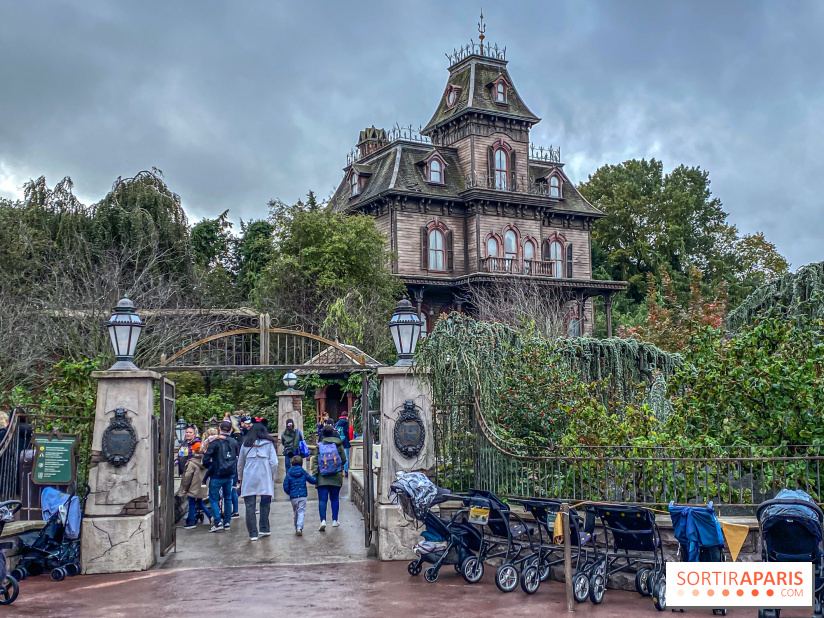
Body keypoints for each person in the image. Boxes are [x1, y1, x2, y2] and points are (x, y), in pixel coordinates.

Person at [237, 423, 279, 541]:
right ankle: (264, 528)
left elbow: (240, 464)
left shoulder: (245, 445)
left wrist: (240, 478)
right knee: (265, 503)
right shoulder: (269, 444)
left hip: (249, 477)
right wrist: (272, 476)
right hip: (265, 476)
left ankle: (253, 533)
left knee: (250, 506)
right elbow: (274, 463)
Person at [202, 420, 239, 532]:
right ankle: (227, 522)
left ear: (219, 429)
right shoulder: (233, 442)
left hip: (217, 474)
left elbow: (206, 459)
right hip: (229, 474)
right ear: (231, 429)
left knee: (213, 499)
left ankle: (217, 521)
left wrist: (211, 466)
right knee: (228, 498)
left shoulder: (215, 442)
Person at [313, 424, 346, 531]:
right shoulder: (338, 444)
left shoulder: (319, 446)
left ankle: (323, 520)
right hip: (336, 477)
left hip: (322, 477)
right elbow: (344, 460)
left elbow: (315, 462)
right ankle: (334, 520)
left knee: (322, 500)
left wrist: (315, 475)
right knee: (335, 498)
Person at [176, 436, 209, 529]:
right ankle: (211, 517)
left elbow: (187, 477)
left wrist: (185, 488)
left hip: (193, 487)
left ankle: (191, 521)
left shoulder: (191, 463)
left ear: (193, 451)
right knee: (200, 502)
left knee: (191, 503)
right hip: (202, 486)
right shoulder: (205, 461)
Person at [282, 455, 316, 536]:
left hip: (293, 496)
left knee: (295, 512)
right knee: (301, 511)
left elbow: (285, 485)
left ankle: (296, 526)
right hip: (302, 495)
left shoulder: (289, 473)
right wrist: (317, 478)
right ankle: (299, 527)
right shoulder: (303, 472)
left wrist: (289, 493)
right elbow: (311, 480)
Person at [335, 412, 351, 478]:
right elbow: (347, 432)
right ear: (346, 416)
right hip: (345, 442)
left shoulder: (337, 423)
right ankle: (346, 471)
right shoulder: (346, 423)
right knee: (346, 457)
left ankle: (339, 470)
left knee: (338, 456)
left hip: (338, 442)